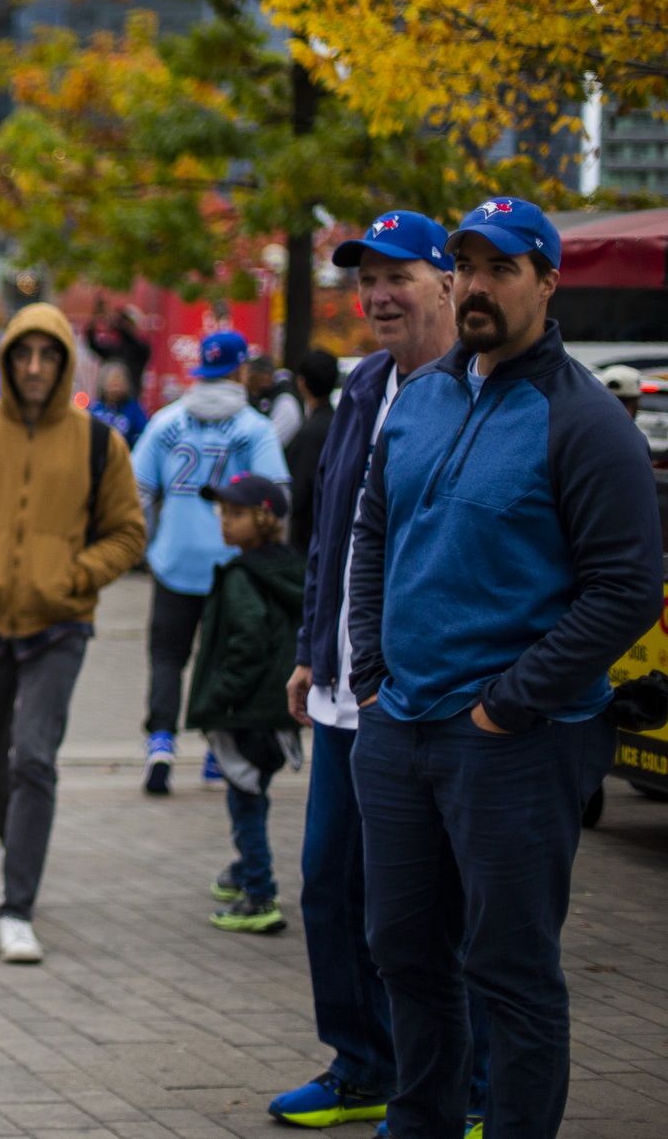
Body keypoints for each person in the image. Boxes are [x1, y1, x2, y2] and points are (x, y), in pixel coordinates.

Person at [349, 198, 661, 1139]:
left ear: (546, 280)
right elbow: (374, 531)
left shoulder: (586, 420)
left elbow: (628, 587)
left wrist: (509, 705)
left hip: (515, 745)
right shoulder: (425, 398)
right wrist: (369, 672)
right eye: (468, 266)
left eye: (503, 268)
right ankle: (422, 1122)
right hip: (398, 726)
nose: (479, 286)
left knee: (511, 969)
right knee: (403, 951)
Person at [274, 209, 461, 1131]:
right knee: (326, 884)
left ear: (447, 283)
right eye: (366, 281)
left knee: (421, 909)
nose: (380, 296)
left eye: (400, 277)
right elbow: (331, 539)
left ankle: (457, 1085)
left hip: (423, 698)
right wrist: (314, 651)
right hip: (346, 691)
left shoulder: (478, 388)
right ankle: (363, 1062)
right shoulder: (363, 388)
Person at [0, 303, 146, 964]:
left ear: (66, 362)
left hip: (60, 623)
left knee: (34, 758)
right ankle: (19, 852)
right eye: (24, 355)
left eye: (49, 356)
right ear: (9, 361)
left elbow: (128, 533)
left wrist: (77, 574)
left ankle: (17, 904)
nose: (36, 367)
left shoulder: (102, 443)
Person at [129, 330, 289, 794]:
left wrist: (148, 544)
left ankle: (161, 742)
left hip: (175, 558)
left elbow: (136, 489)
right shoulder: (254, 428)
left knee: (166, 656)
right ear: (240, 371)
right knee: (222, 657)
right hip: (233, 563)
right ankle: (217, 755)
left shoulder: (166, 421)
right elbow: (278, 495)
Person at [186, 474, 302, 935]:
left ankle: (259, 891)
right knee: (253, 794)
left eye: (235, 515)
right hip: (277, 710)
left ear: (264, 518)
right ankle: (243, 870)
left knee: (246, 800)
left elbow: (247, 643)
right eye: (222, 514)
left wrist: (217, 700)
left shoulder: (242, 577)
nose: (224, 524)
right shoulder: (290, 568)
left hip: (247, 711)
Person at [283, 350, 339, 554]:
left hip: (308, 536)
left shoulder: (309, 432)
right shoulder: (341, 425)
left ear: (302, 383)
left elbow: (299, 492)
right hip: (334, 525)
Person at [246, 356, 304, 447]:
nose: (246, 381)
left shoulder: (285, 400)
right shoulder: (258, 396)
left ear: (264, 375)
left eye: (250, 375)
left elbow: (271, 442)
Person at [89, 361, 149, 445]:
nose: (115, 385)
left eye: (119, 380)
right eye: (112, 381)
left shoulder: (134, 409)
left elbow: (143, 436)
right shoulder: (94, 408)